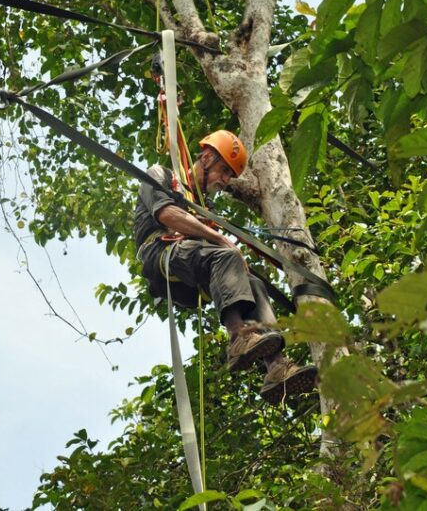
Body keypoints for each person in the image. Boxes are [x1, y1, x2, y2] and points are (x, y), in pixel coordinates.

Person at [134, 130, 317, 404]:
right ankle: (238, 338)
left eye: (230, 176)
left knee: (253, 283)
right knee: (227, 255)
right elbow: (167, 214)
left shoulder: (201, 205)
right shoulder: (162, 175)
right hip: (160, 252)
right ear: (206, 158)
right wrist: (220, 239)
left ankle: (276, 367)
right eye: (223, 170)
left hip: (192, 267)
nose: (225, 180)